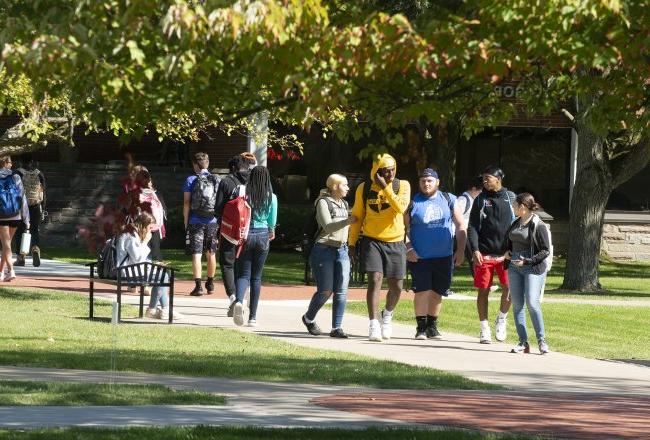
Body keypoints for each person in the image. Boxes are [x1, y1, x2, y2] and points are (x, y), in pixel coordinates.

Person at [348, 153, 411, 342]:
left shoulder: (403, 185)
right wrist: (352, 243)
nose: (390, 174)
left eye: (393, 170)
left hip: (396, 240)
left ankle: (387, 315)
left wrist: (385, 187)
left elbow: (400, 208)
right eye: (386, 171)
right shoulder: (364, 188)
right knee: (375, 279)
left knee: (397, 285)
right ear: (377, 171)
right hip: (372, 239)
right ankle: (373, 324)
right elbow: (357, 215)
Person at [405, 169, 466, 340]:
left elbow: (461, 226)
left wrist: (460, 250)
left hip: (444, 256)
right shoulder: (412, 202)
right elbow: (403, 229)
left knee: (438, 292)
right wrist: (408, 248)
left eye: (430, 180)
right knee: (422, 291)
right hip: (420, 256)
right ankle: (421, 327)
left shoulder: (449, 199)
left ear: (437, 182)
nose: (426, 184)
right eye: (423, 181)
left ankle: (432, 326)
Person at [301, 174, 357, 338]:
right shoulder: (323, 202)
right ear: (334, 187)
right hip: (323, 250)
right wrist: (348, 221)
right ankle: (308, 318)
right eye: (344, 185)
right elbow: (327, 226)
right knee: (325, 290)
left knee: (341, 291)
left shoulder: (344, 203)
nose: (348, 187)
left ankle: (336, 328)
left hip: (342, 251)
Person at [468, 165, 516, 344]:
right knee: (483, 291)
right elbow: (472, 226)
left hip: (506, 255)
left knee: (510, 290)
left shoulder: (510, 198)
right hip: (484, 254)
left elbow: (517, 225)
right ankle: (484, 329)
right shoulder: (480, 199)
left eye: (488, 178)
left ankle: (501, 319)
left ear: (499, 179)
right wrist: (475, 249)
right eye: (484, 178)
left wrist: (512, 248)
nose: (485, 181)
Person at [504, 193, 551, 354]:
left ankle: (542, 341)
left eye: (514, 205)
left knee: (532, 302)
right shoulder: (515, 223)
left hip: (532, 266)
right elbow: (509, 242)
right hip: (514, 266)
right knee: (517, 305)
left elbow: (545, 251)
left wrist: (527, 261)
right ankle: (523, 342)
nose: (513, 207)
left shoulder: (538, 224)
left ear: (522, 207)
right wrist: (507, 253)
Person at [232, 166, 277, 327]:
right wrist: (271, 230)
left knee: (243, 274)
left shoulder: (245, 194)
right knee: (256, 277)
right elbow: (272, 221)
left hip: (246, 234)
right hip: (263, 234)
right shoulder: (271, 197)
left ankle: (238, 300)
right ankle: (253, 317)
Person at [116, 212, 179, 320]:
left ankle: (159, 310)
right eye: (149, 228)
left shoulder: (132, 233)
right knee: (163, 276)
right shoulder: (130, 235)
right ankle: (158, 309)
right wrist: (145, 242)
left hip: (132, 269)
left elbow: (137, 258)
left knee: (162, 274)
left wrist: (153, 264)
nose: (150, 231)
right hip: (127, 272)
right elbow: (137, 258)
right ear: (143, 225)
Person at [215, 154, 250, 315]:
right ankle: (243, 299)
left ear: (233, 168)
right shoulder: (253, 181)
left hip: (229, 230)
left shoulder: (226, 182)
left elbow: (219, 208)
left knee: (227, 263)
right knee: (243, 266)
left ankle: (233, 297)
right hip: (250, 230)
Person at [182, 152, 219, 296]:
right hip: (212, 221)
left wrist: (186, 222)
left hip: (195, 221)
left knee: (196, 253)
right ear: (208, 163)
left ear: (195, 165)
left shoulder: (190, 180)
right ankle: (210, 283)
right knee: (211, 253)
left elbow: (186, 203)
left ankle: (198, 286)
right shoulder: (217, 179)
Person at [0, 156, 29, 282]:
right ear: (6, 163)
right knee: (7, 245)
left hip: (2, 215)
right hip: (16, 215)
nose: (11, 164)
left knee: (6, 245)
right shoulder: (16, 176)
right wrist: (26, 218)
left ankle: (11, 270)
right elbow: (23, 198)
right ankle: (1, 272)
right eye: (10, 162)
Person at [14, 155, 46, 267]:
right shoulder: (39, 174)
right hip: (36, 205)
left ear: (20, 161)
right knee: (34, 230)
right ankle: (35, 248)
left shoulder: (17, 173)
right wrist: (43, 208)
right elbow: (43, 192)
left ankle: (20, 257)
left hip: (22, 206)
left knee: (20, 231)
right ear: (32, 161)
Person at [134, 168, 166, 262]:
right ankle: (151, 267)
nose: (149, 182)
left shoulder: (152, 193)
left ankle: (153, 268)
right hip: (149, 225)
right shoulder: (148, 193)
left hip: (149, 225)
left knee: (150, 248)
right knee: (149, 247)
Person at [455, 175, 483, 277]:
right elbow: (455, 217)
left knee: (473, 257)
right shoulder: (463, 200)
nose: (481, 194)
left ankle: (479, 280)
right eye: (480, 191)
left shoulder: (473, 200)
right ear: (473, 189)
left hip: (467, 233)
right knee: (470, 257)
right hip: (459, 234)